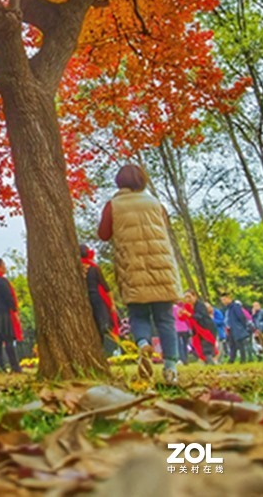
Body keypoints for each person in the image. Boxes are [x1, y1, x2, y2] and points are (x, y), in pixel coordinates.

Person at [98, 163, 181, 385]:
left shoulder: (113, 205)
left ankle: (143, 342)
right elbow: (164, 227)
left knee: (138, 315)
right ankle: (171, 368)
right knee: (165, 320)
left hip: (132, 267)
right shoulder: (155, 203)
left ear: (119, 182)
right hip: (161, 267)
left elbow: (103, 234)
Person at [79, 245, 119, 353]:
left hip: (82, 300)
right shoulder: (94, 268)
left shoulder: (76, 269)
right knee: (102, 325)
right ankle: (101, 349)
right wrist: (112, 304)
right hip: (96, 298)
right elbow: (106, 287)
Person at [182, 290, 217, 363]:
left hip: (206, 329)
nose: (187, 299)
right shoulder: (188, 307)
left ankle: (211, 365)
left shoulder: (200, 305)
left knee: (207, 349)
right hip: (197, 331)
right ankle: (209, 364)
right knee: (199, 349)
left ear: (194, 296)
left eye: (189, 297)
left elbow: (200, 316)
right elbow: (184, 318)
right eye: (186, 297)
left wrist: (189, 314)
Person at [220, 294, 253, 363]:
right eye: (222, 300)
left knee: (240, 344)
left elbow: (241, 317)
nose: (223, 301)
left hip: (237, 328)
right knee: (232, 345)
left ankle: (243, 360)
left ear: (229, 298)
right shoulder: (228, 308)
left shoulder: (235, 306)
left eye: (224, 299)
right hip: (231, 328)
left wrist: (243, 326)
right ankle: (232, 359)